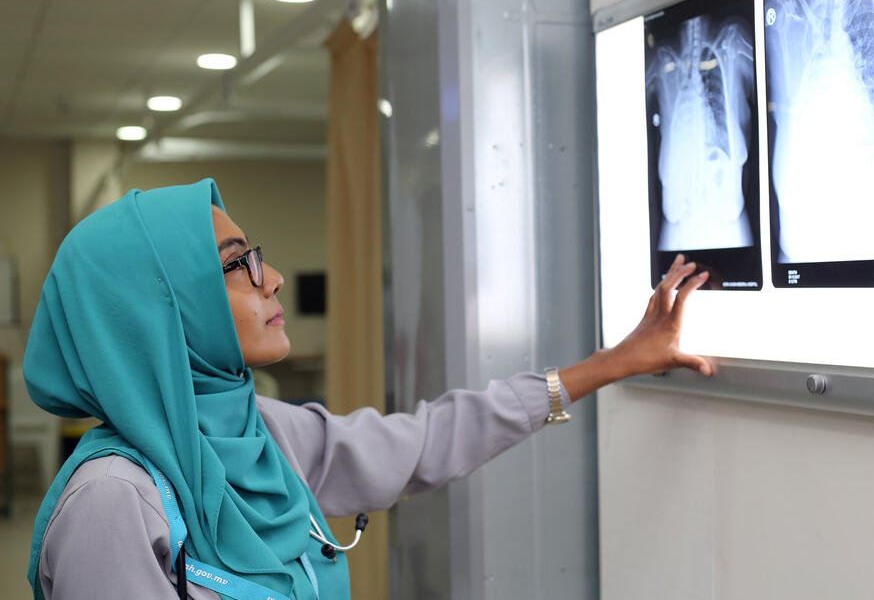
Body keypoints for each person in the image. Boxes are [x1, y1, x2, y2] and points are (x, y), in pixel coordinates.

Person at [23, 179, 712, 599]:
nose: (273, 278)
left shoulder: (260, 433)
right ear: (163, 309)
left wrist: (610, 363)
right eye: (238, 266)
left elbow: (427, 439)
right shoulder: (112, 502)